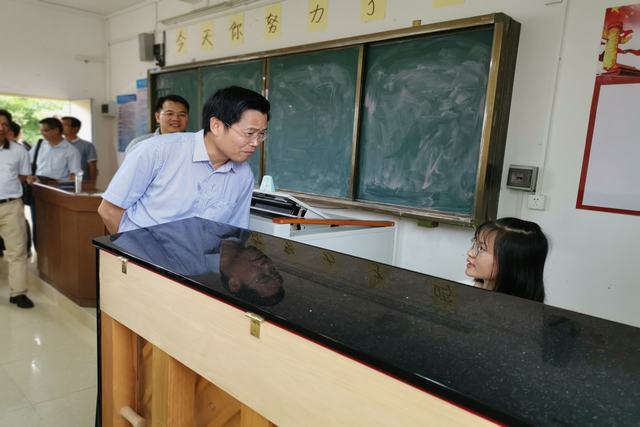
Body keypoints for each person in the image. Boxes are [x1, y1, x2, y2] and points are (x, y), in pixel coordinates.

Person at [99, 86, 269, 234]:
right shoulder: (155, 151)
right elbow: (109, 210)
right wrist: (137, 255)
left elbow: (234, 232)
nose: (255, 143)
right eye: (249, 133)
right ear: (216, 125)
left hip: (201, 261)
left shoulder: (243, 175)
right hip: (144, 257)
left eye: (261, 134)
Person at [465, 217, 548, 302]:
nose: (470, 253)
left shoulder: (516, 308)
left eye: (481, 248)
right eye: (475, 244)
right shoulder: (466, 288)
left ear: (511, 262)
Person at [0, 109, 34, 308]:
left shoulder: (19, 151)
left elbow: (23, 176)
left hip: (11, 206)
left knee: (17, 251)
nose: (1, 128)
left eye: (4, 124)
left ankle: (18, 293)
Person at [124, 94, 190, 155]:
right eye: (169, 114)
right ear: (158, 117)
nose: (175, 119)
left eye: (182, 115)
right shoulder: (138, 144)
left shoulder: (194, 144)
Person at [61, 116, 98, 181]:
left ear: (76, 128)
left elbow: (92, 166)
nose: (61, 127)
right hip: (59, 182)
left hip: (81, 182)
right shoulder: (58, 145)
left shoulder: (87, 145)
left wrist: (92, 183)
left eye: (65, 125)